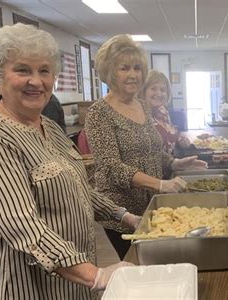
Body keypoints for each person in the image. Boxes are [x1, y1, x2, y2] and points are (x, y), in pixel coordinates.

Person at [0, 23, 140, 299]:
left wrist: (124, 215)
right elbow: (22, 226)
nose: (36, 81)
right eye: (23, 70)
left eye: (44, 71)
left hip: (73, 282)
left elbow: (78, 188)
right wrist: (96, 275)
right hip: (29, 287)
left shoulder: (50, 127)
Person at [85, 34, 207, 259]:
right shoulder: (98, 113)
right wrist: (160, 184)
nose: (133, 74)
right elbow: (111, 167)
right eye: (124, 68)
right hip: (122, 211)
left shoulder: (142, 105)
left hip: (150, 202)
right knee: (139, 264)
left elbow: (151, 148)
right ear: (110, 72)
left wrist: (175, 162)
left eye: (137, 68)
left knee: (162, 261)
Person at [140, 70, 191, 155]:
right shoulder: (138, 114)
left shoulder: (163, 111)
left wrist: (180, 139)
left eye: (163, 90)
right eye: (153, 88)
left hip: (171, 164)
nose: (159, 93)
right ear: (144, 91)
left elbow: (170, 131)